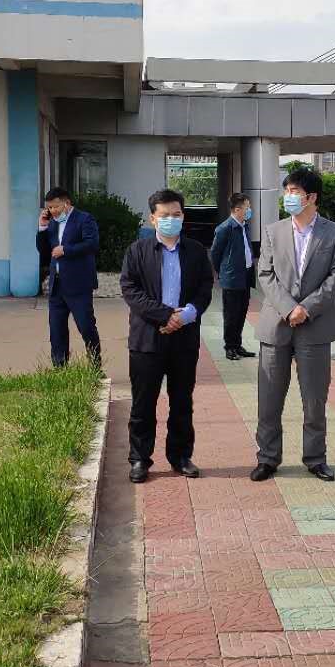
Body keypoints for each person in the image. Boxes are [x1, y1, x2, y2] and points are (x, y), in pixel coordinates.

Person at [250, 169, 335, 483]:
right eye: (287, 191)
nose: (288, 197)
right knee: (269, 398)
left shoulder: (334, 233)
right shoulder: (273, 231)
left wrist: (307, 308)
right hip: (276, 324)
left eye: (294, 191)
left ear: (312, 197)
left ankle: (315, 458)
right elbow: (265, 275)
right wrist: (290, 308)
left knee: (315, 399)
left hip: (316, 326)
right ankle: (267, 458)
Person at [119, 189, 214, 484]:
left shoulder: (196, 251)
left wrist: (186, 315)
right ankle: (139, 459)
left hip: (184, 339)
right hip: (147, 339)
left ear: (183, 216)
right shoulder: (137, 251)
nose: (171, 220)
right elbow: (130, 289)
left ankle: (181, 456)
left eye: (176, 214)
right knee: (143, 403)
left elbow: (205, 287)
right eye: (164, 215)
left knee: (182, 401)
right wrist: (165, 315)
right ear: (153, 219)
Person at [36, 188, 101, 367]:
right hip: (57, 285)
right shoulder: (52, 223)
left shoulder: (84, 219)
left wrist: (66, 250)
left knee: (86, 326)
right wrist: (42, 227)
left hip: (79, 284)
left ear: (67, 203)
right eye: (49, 208)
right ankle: (60, 368)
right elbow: (44, 251)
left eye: (56, 207)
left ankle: (95, 366)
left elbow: (92, 244)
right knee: (56, 329)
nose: (53, 211)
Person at [209, 193, 258, 361]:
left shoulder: (244, 226)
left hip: (245, 276)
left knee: (241, 312)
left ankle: (237, 345)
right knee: (231, 315)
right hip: (232, 278)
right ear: (237, 210)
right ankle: (229, 347)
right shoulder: (224, 228)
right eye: (247, 207)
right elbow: (215, 254)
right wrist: (224, 271)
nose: (249, 210)